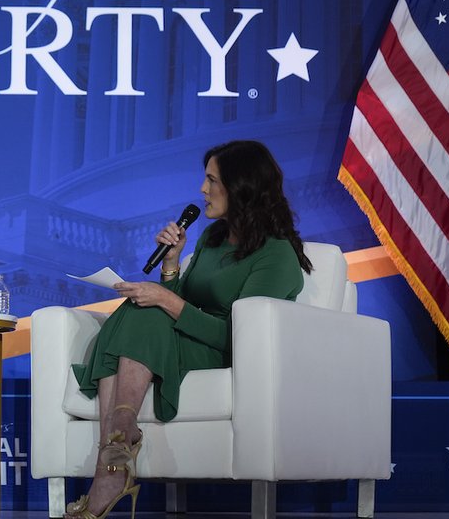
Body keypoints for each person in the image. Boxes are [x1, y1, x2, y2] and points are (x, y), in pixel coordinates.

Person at [64, 140, 313, 519]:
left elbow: (240, 339)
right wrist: (171, 264)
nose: (202, 189)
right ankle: (116, 451)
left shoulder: (276, 255)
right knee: (140, 306)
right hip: (181, 339)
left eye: (212, 180)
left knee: (149, 307)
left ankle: (109, 468)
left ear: (241, 186)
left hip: (223, 352)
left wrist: (166, 300)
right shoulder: (213, 239)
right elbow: (179, 301)